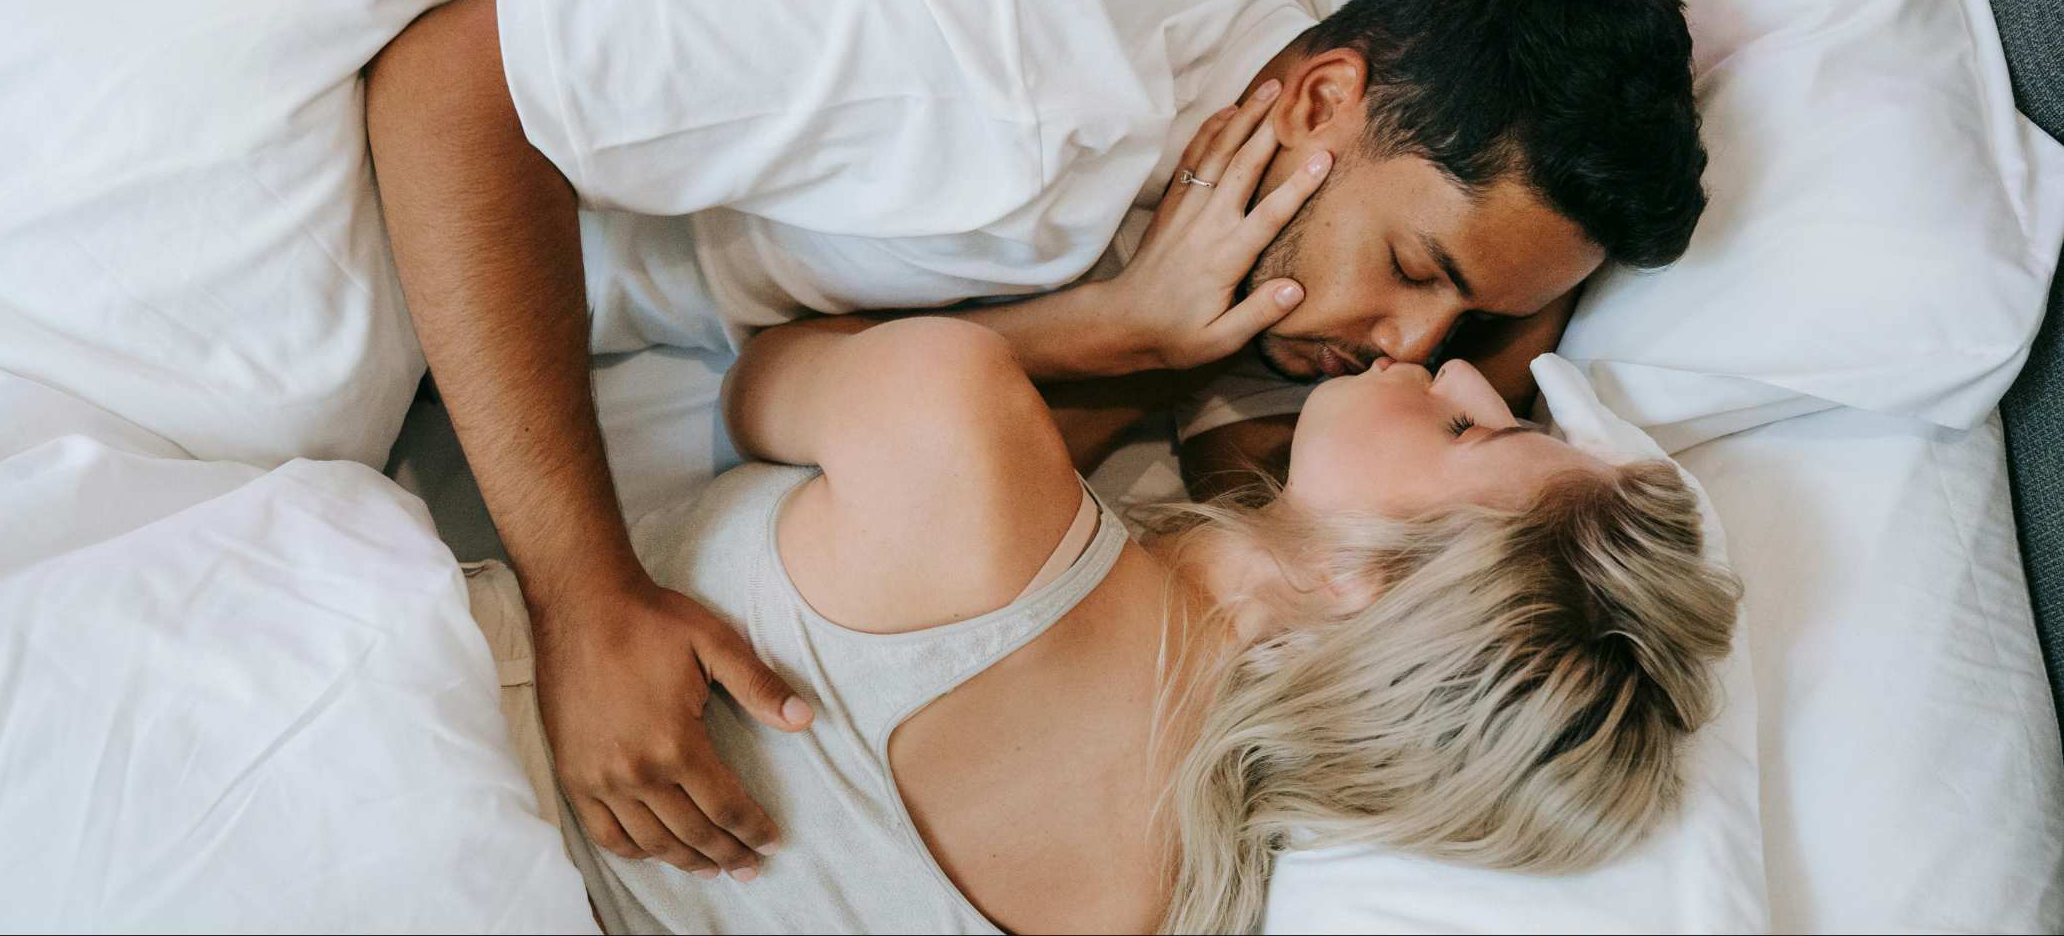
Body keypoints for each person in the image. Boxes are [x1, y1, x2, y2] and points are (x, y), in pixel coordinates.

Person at [364, 0, 1705, 882]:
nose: (1412, 351)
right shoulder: (991, 7)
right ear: (1319, 98)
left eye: (1471, 331)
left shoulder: (1303, 327)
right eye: (1418, 273)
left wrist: (1151, 352)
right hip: (454, 178)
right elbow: (450, 91)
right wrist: (584, 595)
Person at [487, 309, 1736, 934]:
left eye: (1481, 432)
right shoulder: (1195, 905)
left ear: (1369, 588)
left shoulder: (963, 435)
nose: (1470, 373)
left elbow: (761, 379)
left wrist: (1122, 330)